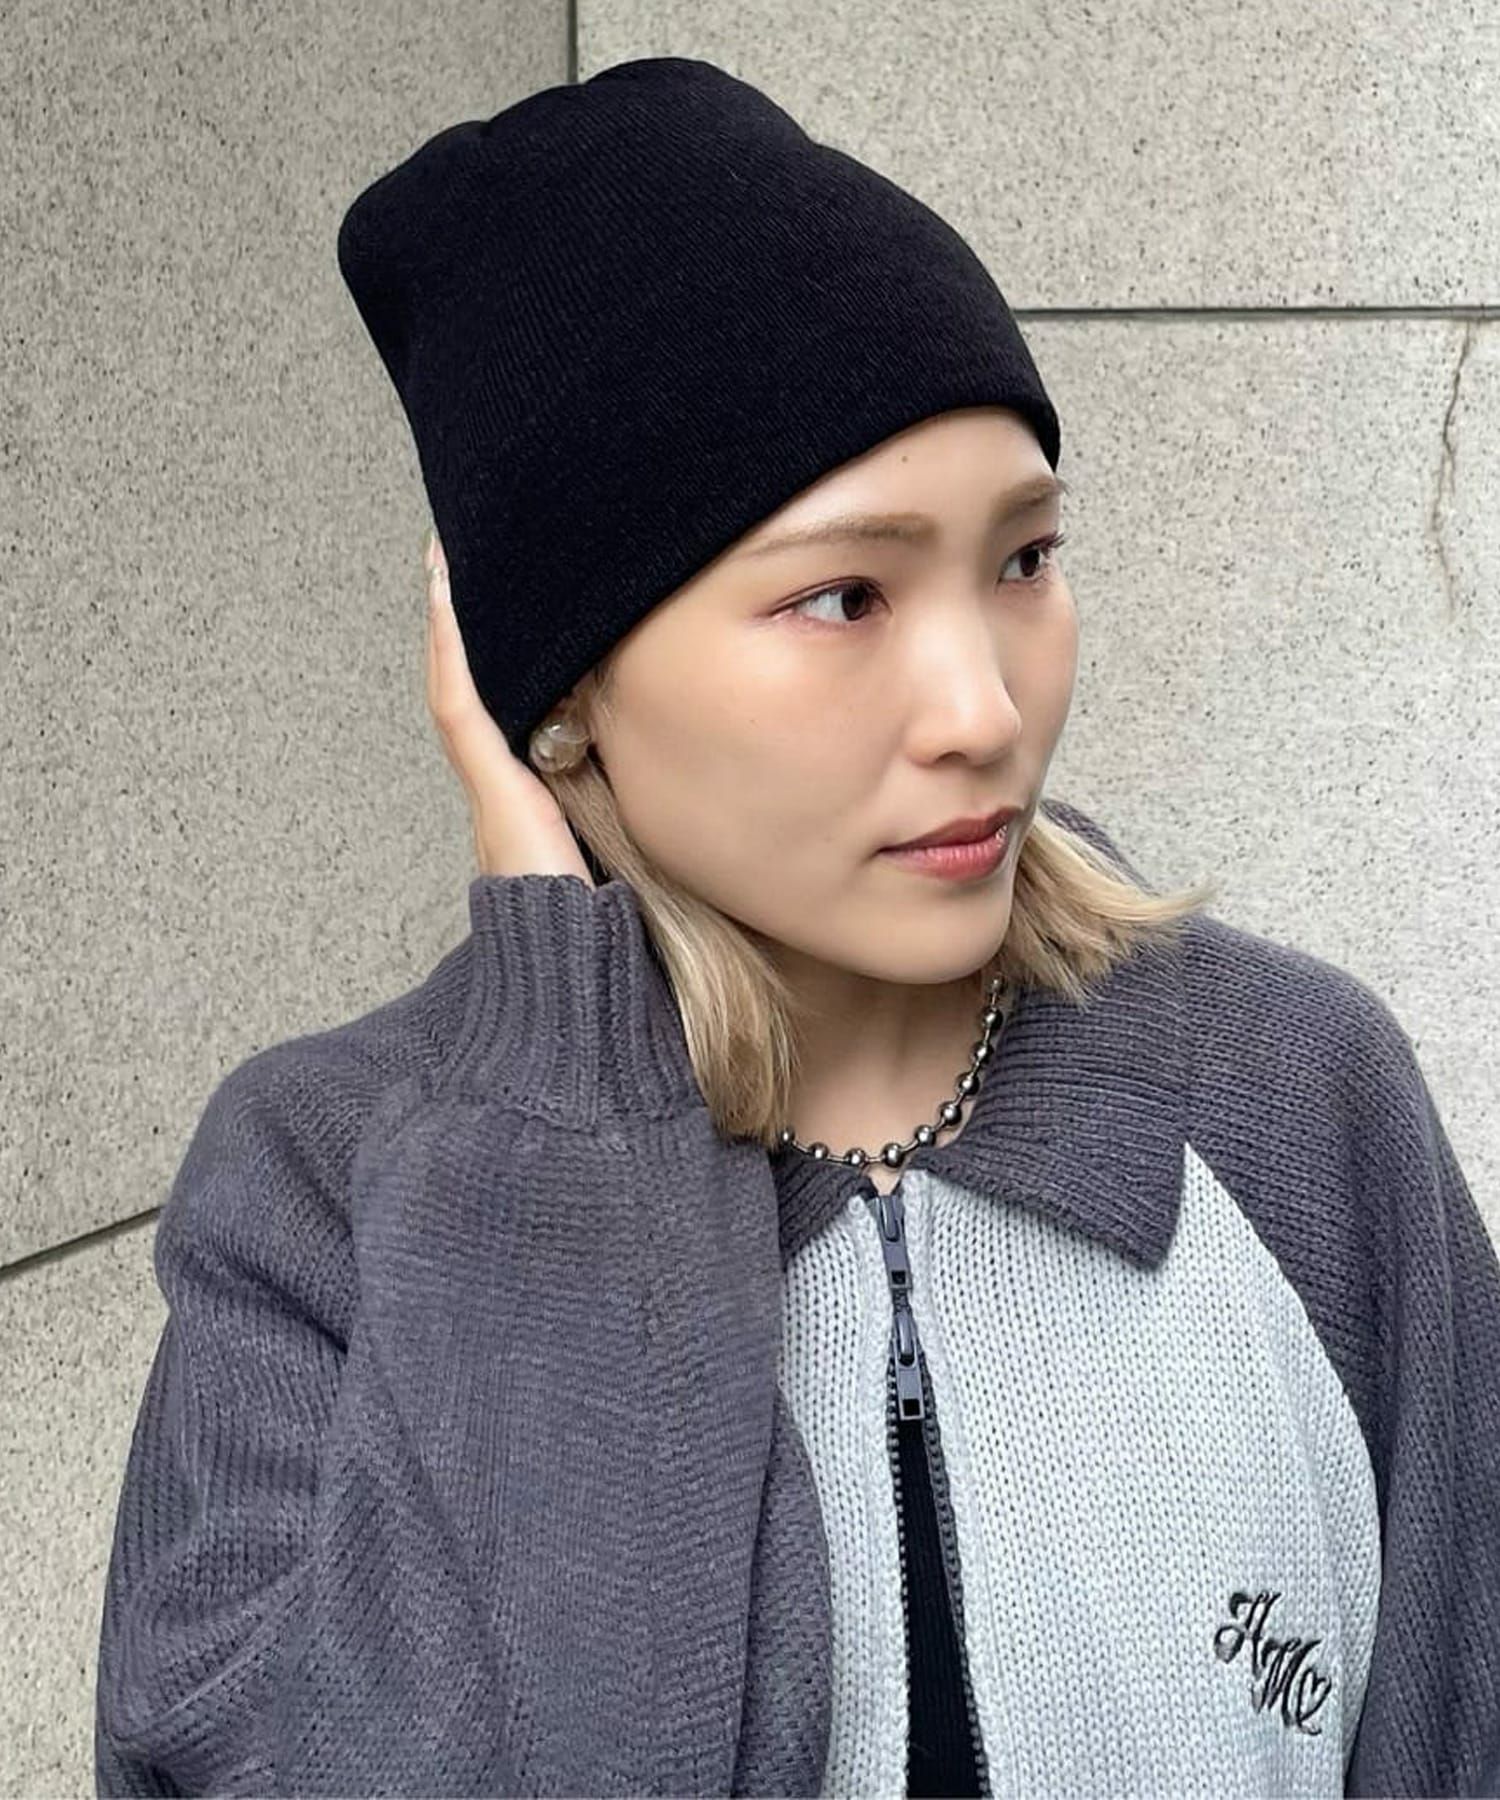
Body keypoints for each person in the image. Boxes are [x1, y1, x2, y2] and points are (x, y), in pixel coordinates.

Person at [94, 56, 1500, 1799]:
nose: (983, 708)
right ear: (559, 695)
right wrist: (563, 1136)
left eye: (1023, 559)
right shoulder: (317, 1198)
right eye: (844, 596)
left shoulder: (1297, 1097)